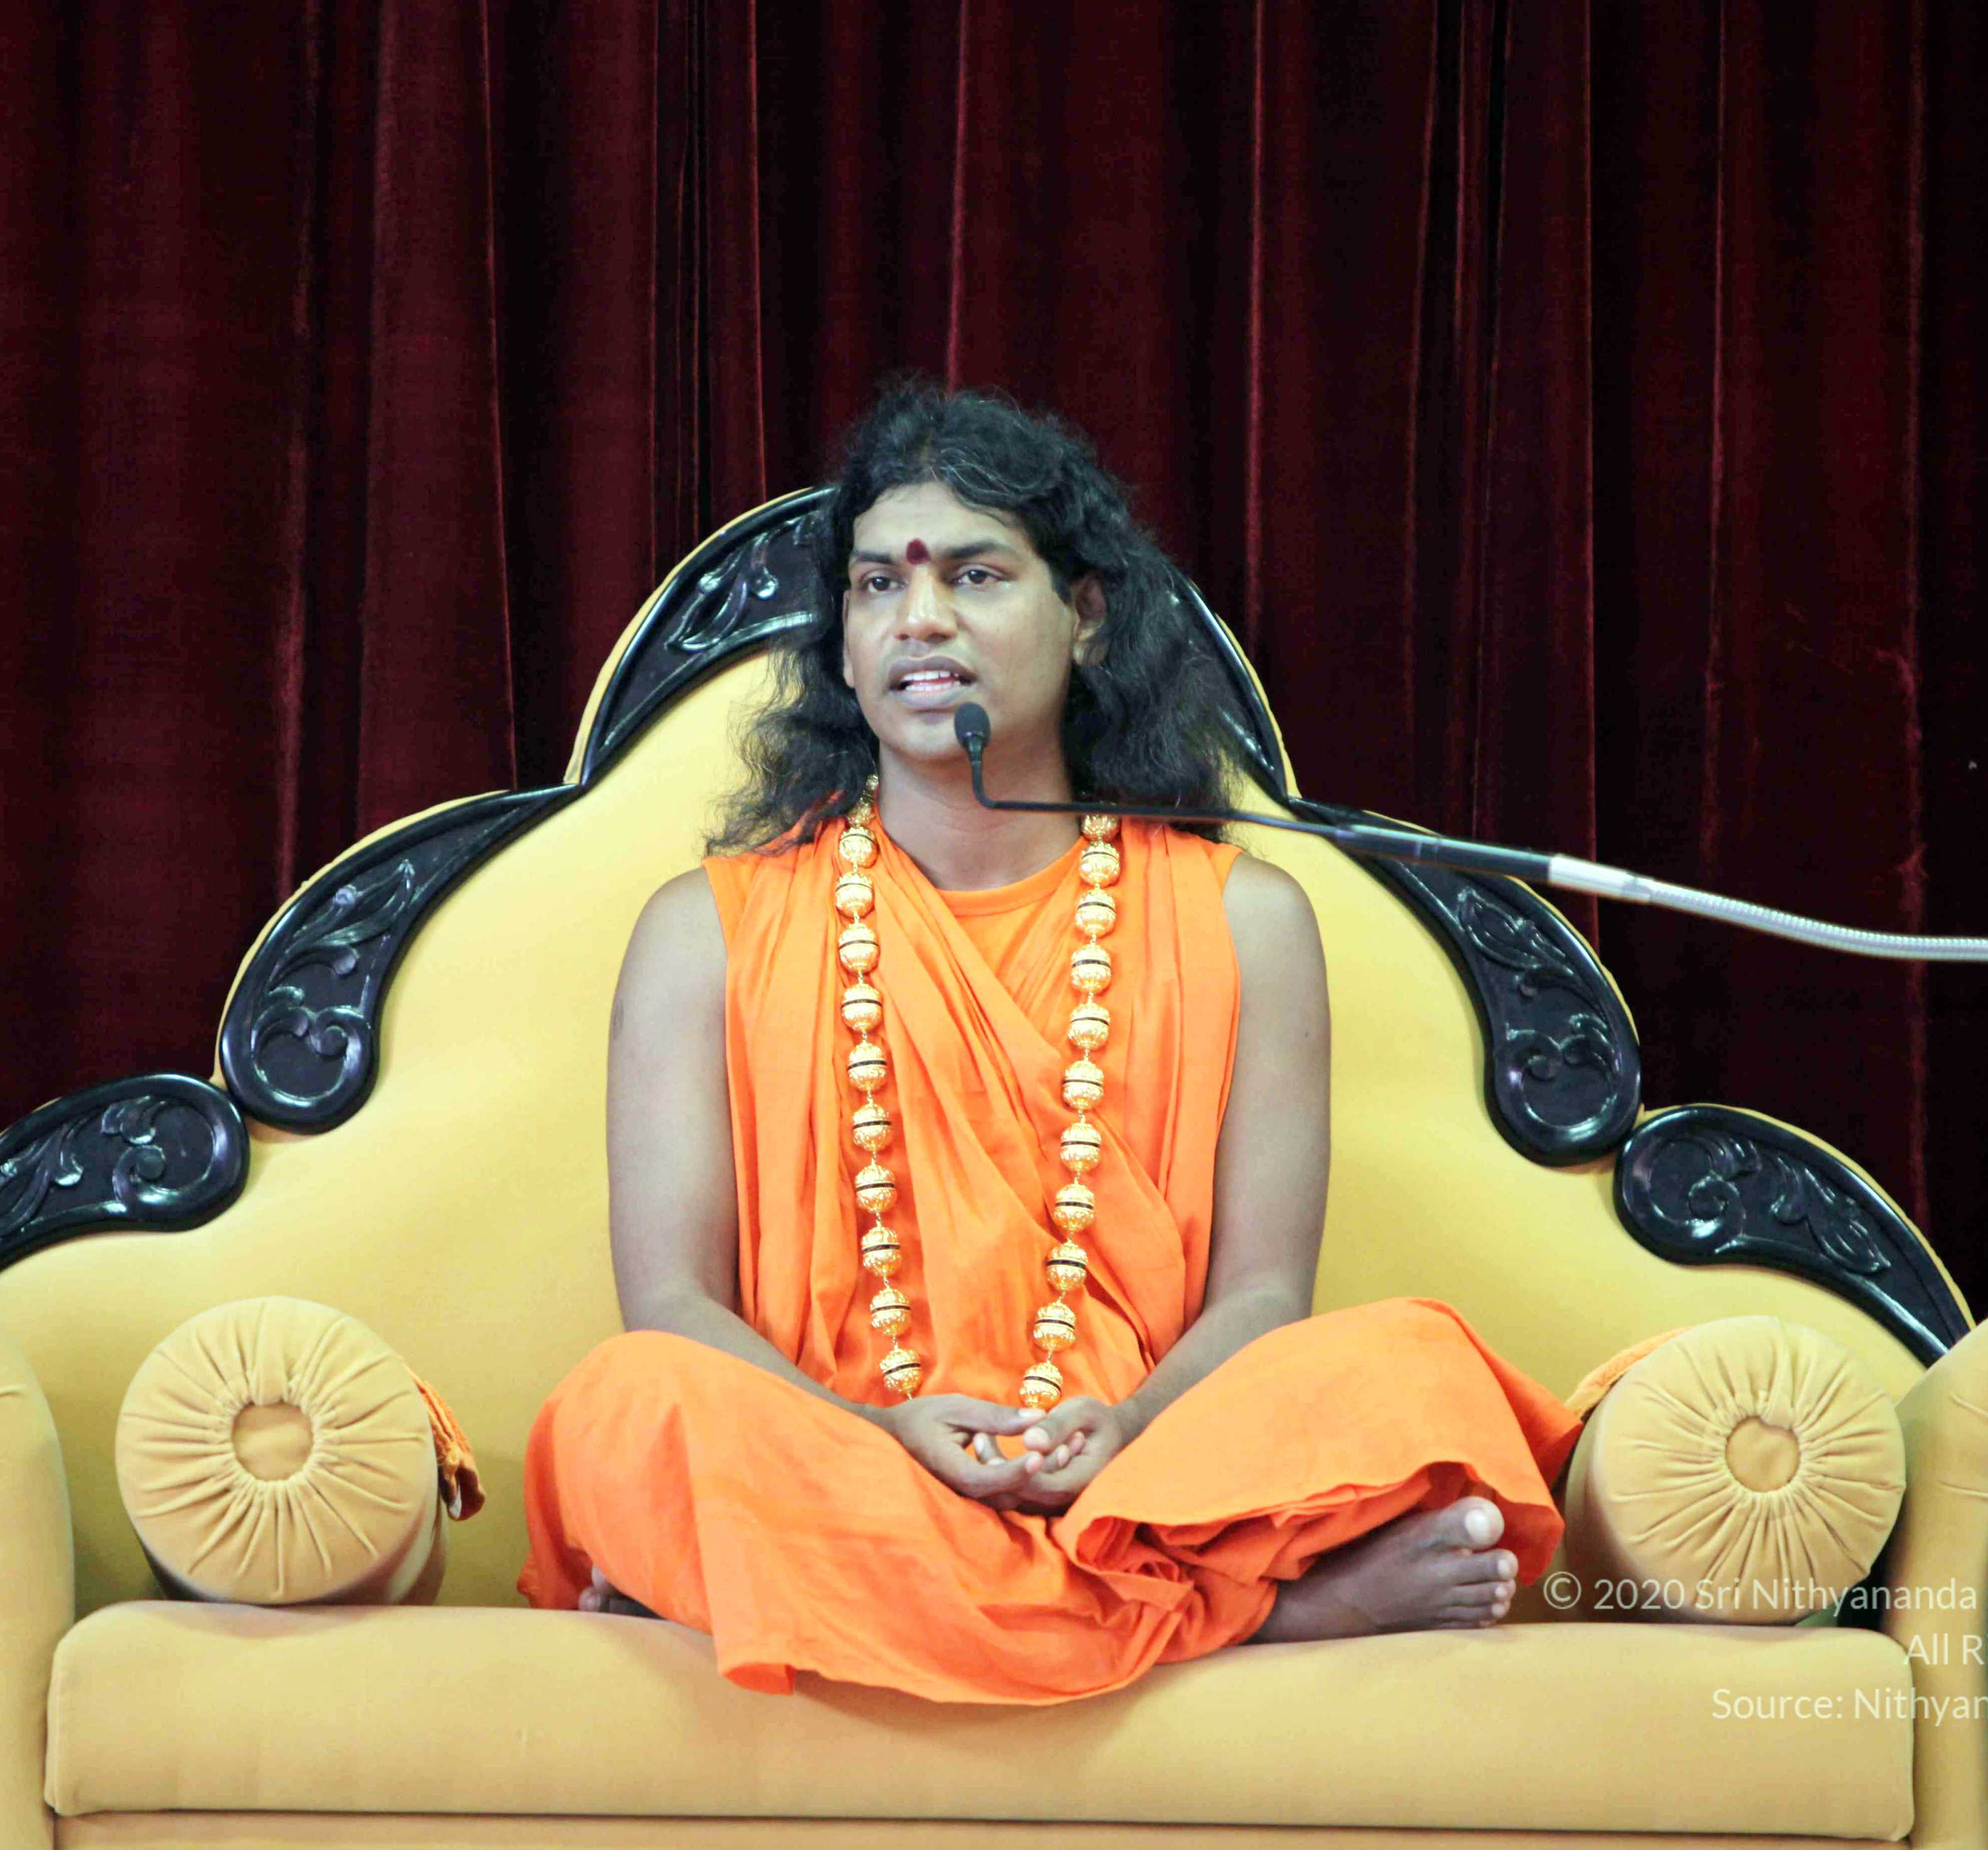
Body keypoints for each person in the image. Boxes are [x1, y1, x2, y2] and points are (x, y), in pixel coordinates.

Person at [516, 383, 1583, 1704]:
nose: (919, 619)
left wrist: (1126, 1426)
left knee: (1412, 1367)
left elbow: (1262, 1293)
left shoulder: (1245, 919)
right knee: (631, 1403)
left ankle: (818, 1594)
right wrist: (880, 1435)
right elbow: (674, 1305)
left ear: (1084, 616)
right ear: (841, 645)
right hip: (835, 1456)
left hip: (1148, 1468)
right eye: (877, 584)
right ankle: (1253, 1613)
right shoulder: (704, 931)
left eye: (974, 576)